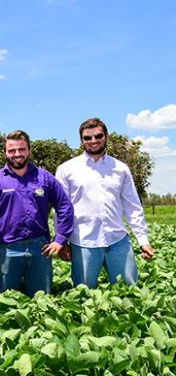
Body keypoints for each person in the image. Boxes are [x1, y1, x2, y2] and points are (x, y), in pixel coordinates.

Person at [55, 117, 155, 288]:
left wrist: (143, 240)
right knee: (84, 295)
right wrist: (61, 240)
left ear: (106, 136)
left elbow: (133, 206)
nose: (93, 141)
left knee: (129, 291)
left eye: (98, 136)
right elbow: (61, 209)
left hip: (118, 241)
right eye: (88, 137)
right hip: (83, 243)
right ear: (81, 140)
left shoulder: (121, 168)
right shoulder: (67, 169)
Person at [0, 130, 74, 297]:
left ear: (29, 150)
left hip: (40, 248)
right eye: (12, 150)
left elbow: (65, 207)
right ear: (5, 152)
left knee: (41, 301)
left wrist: (60, 240)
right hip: (6, 249)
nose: (17, 154)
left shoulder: (45, 178)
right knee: (6, 303)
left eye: (21, 149)